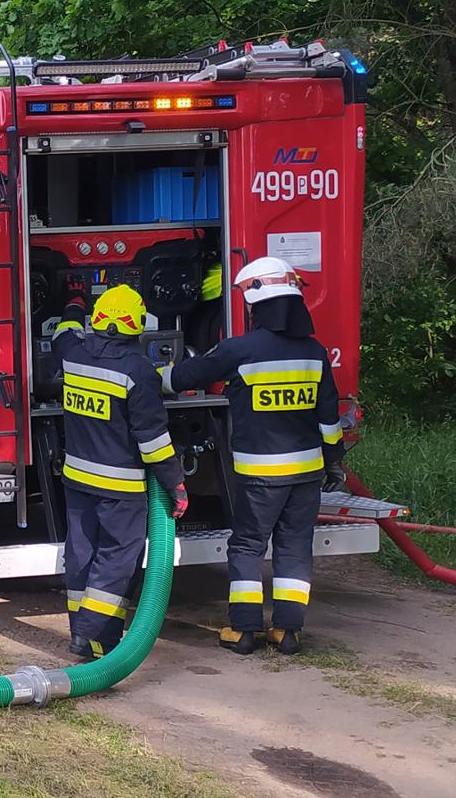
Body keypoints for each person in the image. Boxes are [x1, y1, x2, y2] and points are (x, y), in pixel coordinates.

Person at [163, 256, 343, 655]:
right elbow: (329, 417)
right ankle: (288, 632)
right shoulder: (314, 352)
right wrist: (334, 461)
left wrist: (148, 376)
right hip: (307, 472)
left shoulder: (238, 349)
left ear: (257, 305)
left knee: (247, 546)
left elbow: (181, 379)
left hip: (259, 475)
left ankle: (244, 631)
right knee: (295, 548)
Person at [51, 283, 188, 660]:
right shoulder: (138, 371)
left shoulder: (72, 354)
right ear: (137, 324)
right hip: (120, 486)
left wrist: (74, 302)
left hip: (77, 479)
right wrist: (175, 483)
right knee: (116, 558)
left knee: (80, 553)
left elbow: (64, 331)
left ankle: (82, 631)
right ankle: (93, 638)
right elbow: (153, 440)